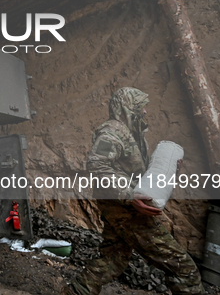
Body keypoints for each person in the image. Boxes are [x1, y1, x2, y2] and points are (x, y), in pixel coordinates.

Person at [62, 87, 203, 295]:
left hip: (123, 207)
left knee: (112, 259)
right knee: (183, 269)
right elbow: (97, 166)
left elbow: (136, 172)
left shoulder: (133, 135)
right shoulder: (112, 132)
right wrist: (129, 195)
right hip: (126, 210)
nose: (145, 111)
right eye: (141, 106)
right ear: (127, 107)